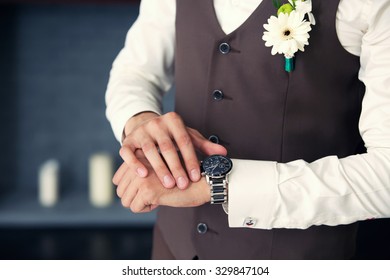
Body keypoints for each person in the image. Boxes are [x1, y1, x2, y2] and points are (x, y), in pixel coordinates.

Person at [105, 0, 390, 259]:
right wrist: (141, 122)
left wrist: (219, 186)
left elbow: (385, 177)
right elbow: (136, 71)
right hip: (173, 250)